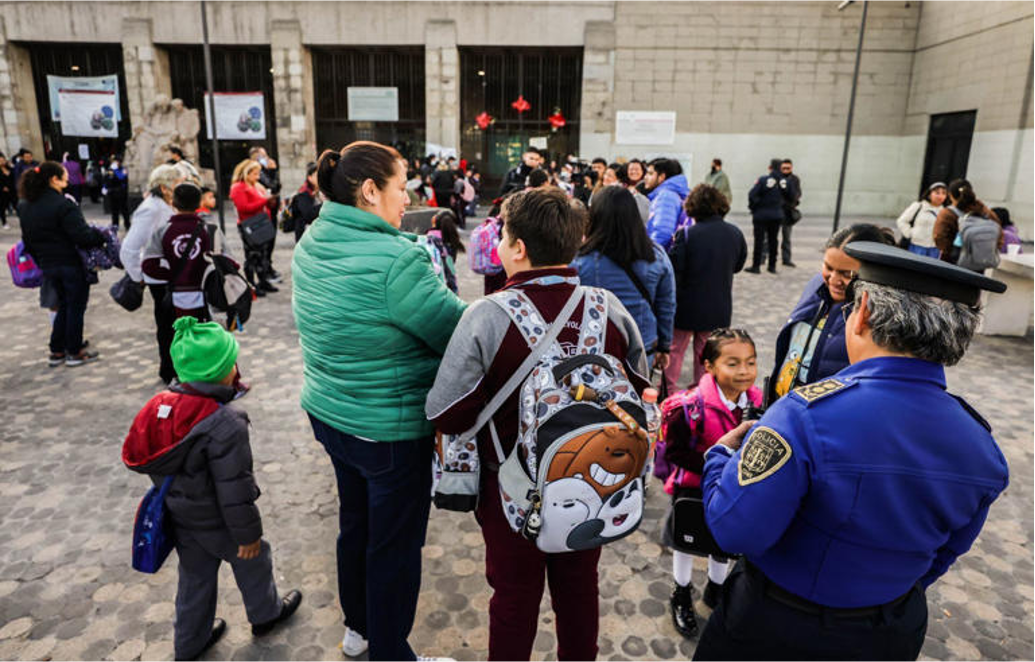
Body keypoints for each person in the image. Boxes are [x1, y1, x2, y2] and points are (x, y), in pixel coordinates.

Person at [693, 242, 1009, 662]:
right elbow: (943, 554)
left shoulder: (803, 415)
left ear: (862, 315)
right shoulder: (981, 443)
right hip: (890, 629)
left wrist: (718, 456)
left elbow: (734, 531)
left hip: (775, 625)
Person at [426, 186, 650, 662]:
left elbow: (448, 410)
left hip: (510, 491)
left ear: (519, 248)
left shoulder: (486, 315)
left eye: (503, 235)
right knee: (579, 590)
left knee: (513, 597)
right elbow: (637, 385)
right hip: (593, 478)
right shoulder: (608, 307)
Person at [292, 141, 464, 662]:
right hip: (387, 431)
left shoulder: (313, 237)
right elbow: (457, 335)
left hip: (331, 415)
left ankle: (359, 630)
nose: (405, 197)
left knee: (356, 526)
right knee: (393, 547)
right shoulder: (398, 260)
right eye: (400, 186)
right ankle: (390, 654)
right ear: (369, 191)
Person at [122, 317, 302, 661]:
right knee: (255, 559)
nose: (237, 366)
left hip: (182, 517)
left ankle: (189, 643)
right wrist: (248, 535)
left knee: (194, 579)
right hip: (220, 521)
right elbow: (235, 489)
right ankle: (266, 614)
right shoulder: (225, 423)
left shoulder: (160, 407)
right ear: (220, 371)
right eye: (231, 360)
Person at [662, 329, 763, 639]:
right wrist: (717, 463)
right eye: (733, 364)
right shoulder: (688, 407)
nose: (744, 371)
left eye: (750, 362)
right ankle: (681, 592)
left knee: (722, 545)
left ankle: (716, 590)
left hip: (732, 490)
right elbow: (674, 452)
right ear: (708, 366)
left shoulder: (759, 402)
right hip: (691, 488)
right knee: (686, 541)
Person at [767, 223, 895, 404]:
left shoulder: (879, 314)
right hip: (786, 405)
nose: (833, 280)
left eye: (846, 274)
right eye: (828, 267)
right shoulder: (816, 285)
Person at [572, 185, 675, 369]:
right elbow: (666, 305)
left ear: (594, 215)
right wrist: (665, 346)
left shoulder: (580, 260)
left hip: (595, 348)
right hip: (643, 346)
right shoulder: (656, 256)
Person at [18, 161, 107, 366]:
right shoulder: (63, 204)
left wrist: (41, 259)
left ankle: (57, 349)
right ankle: (74, 352)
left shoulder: (25, 205)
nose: (68, 178)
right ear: (54, 179)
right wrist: (100, 236)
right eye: (64, 175)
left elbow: (27, 240)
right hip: (70, 263)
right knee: (75, 306)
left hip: (47, 264)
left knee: (64, 305)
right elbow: (82, 236)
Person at [664, 184, 747, 391]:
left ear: (693, 207)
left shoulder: (687, 235)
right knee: (707, 355)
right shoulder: (735, 233)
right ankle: (702, 393)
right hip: (717, 306)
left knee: (675, 351)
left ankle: (668, 390)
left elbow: (675, 270)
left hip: (685, 307)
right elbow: (738, 265)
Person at [121, 164, 185, 383]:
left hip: (170, 274)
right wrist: (140, 277)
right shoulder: (151, 208)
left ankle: (176, 367)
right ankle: (169, 370)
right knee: (167, 325)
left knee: (174, 323)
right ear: (164, 187)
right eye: (177, 183)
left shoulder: (163, 205)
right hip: (159, 277)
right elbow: (129, 248)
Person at [141, 183, 227, 323]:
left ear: (173, 203)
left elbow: (148, 265)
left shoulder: (163, 231)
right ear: (199, 202)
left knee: (175, 336)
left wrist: (174, 275)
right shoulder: (210, 230)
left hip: (175, 296)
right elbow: (227, 262)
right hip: (206, 297)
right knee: (203, 337)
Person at [229, 159, 277, 294]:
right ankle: (252, 285)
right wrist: (264, 201)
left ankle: (263, 281)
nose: (257, 177)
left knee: (262, 255)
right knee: (252, 256)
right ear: (246, 173)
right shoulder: (238, 187)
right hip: (248, 225)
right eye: (255, 174)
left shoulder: (254, 185)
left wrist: (269, 202)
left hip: (260, 223)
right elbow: (243, 208)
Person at [933, 179, 1001, 263]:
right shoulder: (986, 212)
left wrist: (953, 251)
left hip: (952, 261)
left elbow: (939, 237)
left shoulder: (947, 213)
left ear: (950, 196)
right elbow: (999, 234)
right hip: (979, 263)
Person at [745, 159, 789, 274]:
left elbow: (752, 195)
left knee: (759, 241)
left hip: (761, 215)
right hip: (776, 215)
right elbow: (792, 195)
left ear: (770, 168)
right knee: (773, 240)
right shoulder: (783, 182)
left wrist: (754, 208)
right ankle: (772, 266)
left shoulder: (763, 180)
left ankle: (756, 266)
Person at [643, 158, 690, 250]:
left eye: (650, 173)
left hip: (662, 256)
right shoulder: (672, 193)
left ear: (662, 177)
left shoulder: (666, 196)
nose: (645, 177)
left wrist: (650, 254)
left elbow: (663, 232)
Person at [895, 181, 946, 258]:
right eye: (937, 193)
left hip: (935, 249)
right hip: (916, 246)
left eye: (943, 193)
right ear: (929, 194)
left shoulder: (945, 211)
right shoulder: (919, 206)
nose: (940, 196)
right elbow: (901, 221)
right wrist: (910, 234)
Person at [289, 161, 321, 242]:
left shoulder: (318, 191)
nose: (320, 178)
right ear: (309, 177)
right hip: (304, 235)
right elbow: (308, 214)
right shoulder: (304, 193)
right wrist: (326, 205)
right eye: (317, 175)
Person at [777, 159, 801, 267]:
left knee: (786, 237)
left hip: (788, 212)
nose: (786, 170)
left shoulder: (794, 179)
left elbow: (798, 193)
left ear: (791, 168)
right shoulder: (777, 178)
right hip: (777, 211)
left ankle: (786, 259)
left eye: (788, 168)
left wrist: (793, 202)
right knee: (769, 237)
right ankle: (764, 258)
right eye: (784, 168)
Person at [103, 157, 131, 230]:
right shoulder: (110, 170)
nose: (114, 163)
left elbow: (121, 177)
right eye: (113, 162)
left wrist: (115, 170)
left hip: (121, 193)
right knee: (114, 211)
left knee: (124, 210)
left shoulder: (123, 170)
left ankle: (127, 224)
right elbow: (107, 179)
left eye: (116, 161)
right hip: (113, 193)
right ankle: (115, 225)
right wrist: (104, 187)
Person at [0, 153, 15, 228]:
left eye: (3, 160)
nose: (2, 162)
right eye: (0, 160)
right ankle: (4, 222)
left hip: (12, 190)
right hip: (2, 192)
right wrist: (2, 187)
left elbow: (14, 177)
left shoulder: (10, 168)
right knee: (2, 208)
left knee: (16, 205)